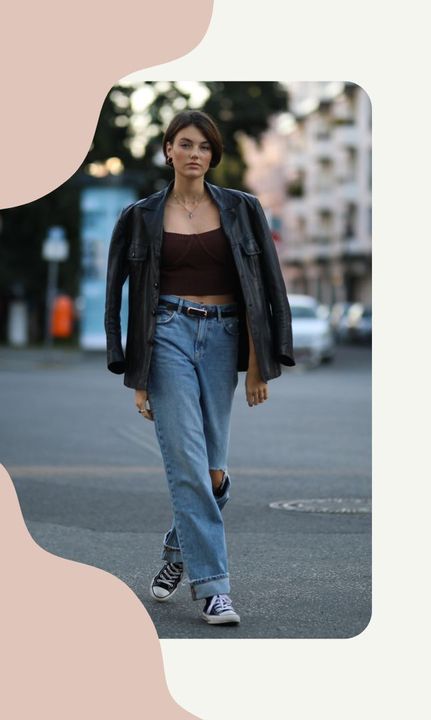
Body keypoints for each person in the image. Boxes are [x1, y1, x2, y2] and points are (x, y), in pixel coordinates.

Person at [105, 110, 294, 625]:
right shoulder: (140, 216)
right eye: (185, 144)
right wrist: (137, 375)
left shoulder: (243, 209)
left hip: (226, 334)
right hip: (165, 332)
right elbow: (119, 294)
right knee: (188, 463)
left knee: (212, 473)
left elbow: (268, 288)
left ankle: (178, 546)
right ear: (168, 149)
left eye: (205, 147)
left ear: (213, 156)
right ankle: (214, 589)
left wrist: (261, 362)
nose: (195, 153)